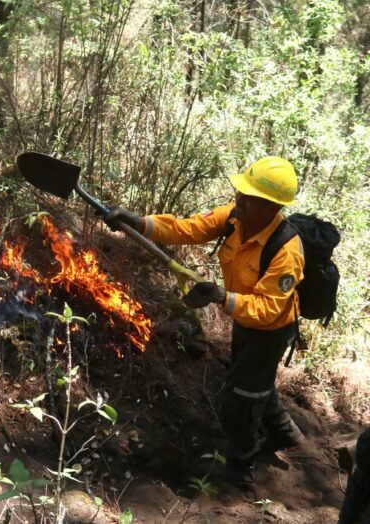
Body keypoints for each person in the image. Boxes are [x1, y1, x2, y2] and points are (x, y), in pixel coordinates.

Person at [105, 156, 306, 487]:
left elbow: (269, 309)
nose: (238, 200)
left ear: (270, 208)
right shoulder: (235, 217)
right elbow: (188, 228)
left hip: (270, 330)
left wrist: (220, 297)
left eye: (249, 197)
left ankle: (240, 466)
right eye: (240, 193)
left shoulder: (287, 249)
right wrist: (140, 222)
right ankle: (285, 432)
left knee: (241, 396)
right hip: (244, 319)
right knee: (254, 381)